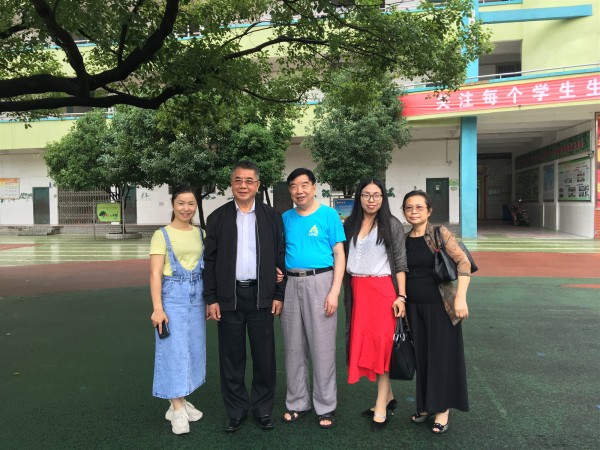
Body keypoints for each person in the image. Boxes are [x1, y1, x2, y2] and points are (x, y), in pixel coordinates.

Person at [203, 160, 286, 433]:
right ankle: (236, 411)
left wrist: (278, 294)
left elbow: (280, 257)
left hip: (262, 296)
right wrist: (211, 298)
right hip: (230, 298)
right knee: (231, 358)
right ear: (231, 184)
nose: (243, 185)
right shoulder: (217, 218)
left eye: (249, 181)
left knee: (264, 357)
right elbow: (209, 262)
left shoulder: (272, 217)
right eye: (238, 180)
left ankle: (263, 409)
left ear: (258, 185)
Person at [280, 168, 346, 429]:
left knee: (322, 349)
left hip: (322, 282)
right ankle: (297, 402)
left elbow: (339, 254)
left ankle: (325, 406)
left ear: (314, 186)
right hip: (291, 284)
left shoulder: (329, 215)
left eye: (304, 185)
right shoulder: (285, 218)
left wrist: (334, 291)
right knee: (293, 348)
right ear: (290, 190)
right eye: (294, 186)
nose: (300, 191)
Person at [401, 190, 471, 434]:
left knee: (441, 358)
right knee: (422, 357)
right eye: (409, 208)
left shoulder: (440, 234)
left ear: (429, 211)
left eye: (419, 207)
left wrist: (460, 297)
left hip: (441, 307)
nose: (414, 212)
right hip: (413, 308)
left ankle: (442, 409)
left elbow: (464, 263)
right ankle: (426, 406)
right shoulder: (404, 238)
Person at [342, 178, 408, 432]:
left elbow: (400, 262)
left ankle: (381, 404)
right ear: (359, 197)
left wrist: (401, 296)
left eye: (377, 195)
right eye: (366, 195)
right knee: (367, 346)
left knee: (382, 348)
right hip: (358, 292)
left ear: (383, 198)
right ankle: (388, 396)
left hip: (383, 293)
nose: (371, 200)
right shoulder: (350, 224)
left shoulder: (392, 224)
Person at [149, 184, 206, 435]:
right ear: (173, 205)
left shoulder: (201, 233)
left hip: (198, 296)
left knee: (192, 349)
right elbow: (154, 274)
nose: (186, 208)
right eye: (181, 203)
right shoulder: (161, 234)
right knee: (173, 351)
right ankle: (178, 408)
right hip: (172, 295)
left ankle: (180, 401)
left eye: (191, 203)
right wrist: (157, 308)